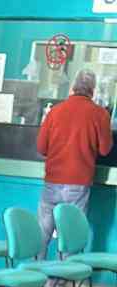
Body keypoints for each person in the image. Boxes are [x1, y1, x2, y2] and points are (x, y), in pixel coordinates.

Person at [36, 67, 112, 260]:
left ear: (73, 87)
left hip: (52, 180)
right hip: (78, 182)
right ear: (93, 90)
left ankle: (33, 271)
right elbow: (105, 149)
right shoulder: (100, 114)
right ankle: (63, 275)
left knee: (42, 233)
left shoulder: (55, 111)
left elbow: (41, 147)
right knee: (70, 235)